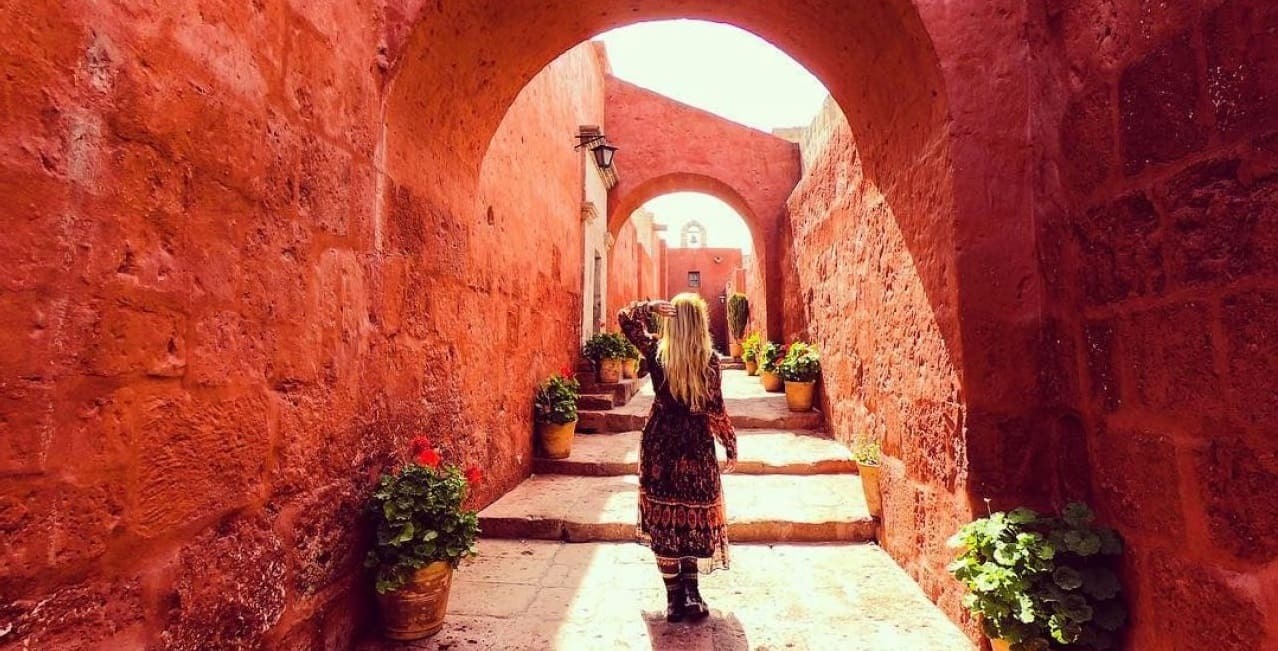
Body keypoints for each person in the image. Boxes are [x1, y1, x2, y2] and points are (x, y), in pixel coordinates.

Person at [618, 294, 738, 623]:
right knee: (692, 519)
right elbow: (715, 408)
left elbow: (625, 319)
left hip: (661, 445)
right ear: (700, 323)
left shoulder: (657, 352)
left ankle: (675, 598)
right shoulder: (710, 360)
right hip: (695, 446)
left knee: (665, 522)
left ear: (670, 320)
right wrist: (729, 440)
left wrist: (649, 307)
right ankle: (691, 593)